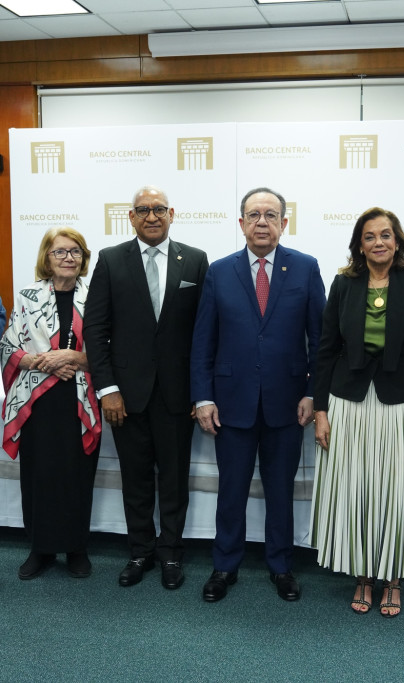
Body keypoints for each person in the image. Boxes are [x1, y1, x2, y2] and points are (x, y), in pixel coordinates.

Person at [191, 186, 326, 603]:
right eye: (253, 215)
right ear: (241, 223)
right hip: (230, 403)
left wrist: (312, 393)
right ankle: (224, 565)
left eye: (271, 215)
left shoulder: (305, 268)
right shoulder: (219, 271)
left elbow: (320, 341)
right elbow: (202, 342)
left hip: (288, 404)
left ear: (285, 223)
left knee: (280, 490)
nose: (262, 222)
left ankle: (281, 565)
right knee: (230, 489)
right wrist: (203, 397)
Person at [311, 207, 404, 618]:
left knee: (395, 492)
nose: (378, 242)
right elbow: (326, 348)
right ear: (359, 244)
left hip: (399, 406)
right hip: (347, 402)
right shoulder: (343, 284)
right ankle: (364, 576)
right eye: (370, 236)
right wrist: (320, 410)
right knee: (357, 490)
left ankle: (395, 578)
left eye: (386, 235)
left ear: (397, 241)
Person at [83, 185, 208, 590]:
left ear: (172, 213)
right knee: (135, 480)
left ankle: (171, 554)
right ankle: (140, 552)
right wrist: (107, 389)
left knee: (174, 480)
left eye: (158, 209)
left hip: (178, 396)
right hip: (126, 396)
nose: (151, 216)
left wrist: (200, 391)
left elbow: (204, 333)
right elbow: (96, 331)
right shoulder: (110, 260)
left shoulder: (195, 260)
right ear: (131, 217)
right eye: (142, 210)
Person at [1, 228, 102, 579]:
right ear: (47, 257)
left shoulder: (96, 296)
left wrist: (73, 359)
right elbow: (8, 347)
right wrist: (39, 362)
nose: (68, 258)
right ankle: (40, 549)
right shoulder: (28, 296)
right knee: (39, 474)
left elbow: (108, 350)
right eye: (60, 252)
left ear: (83, 258)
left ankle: (76, 548)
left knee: (77, 475)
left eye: (75, 251)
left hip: (79, 399)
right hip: (36, 400)